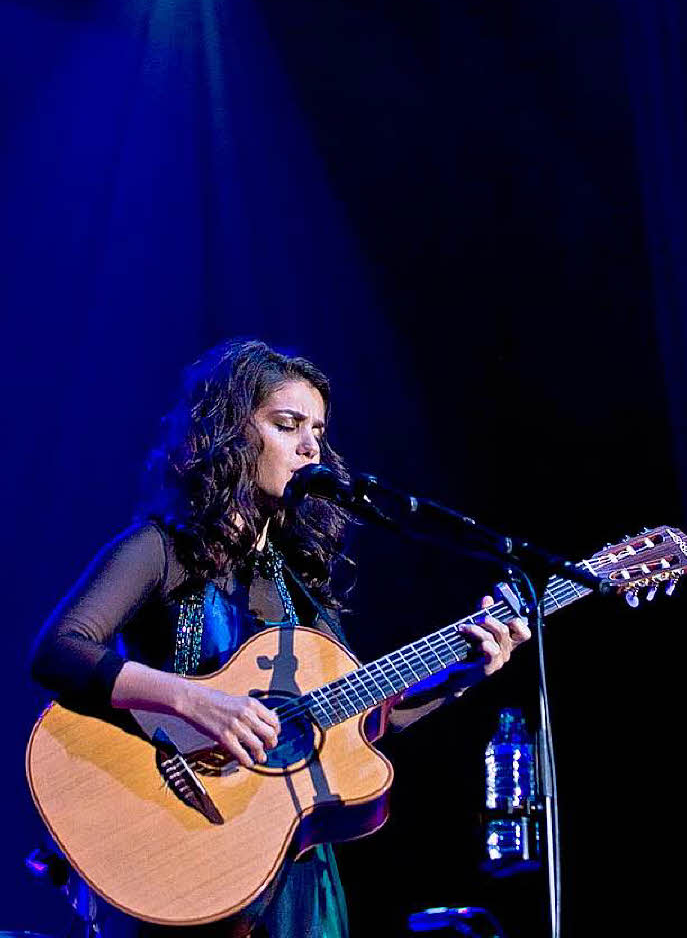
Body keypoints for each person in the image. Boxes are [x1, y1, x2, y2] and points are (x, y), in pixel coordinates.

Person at [31, 338, 531, 938]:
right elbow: (59, 648)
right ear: (230, 432)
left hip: (293, 869)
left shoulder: (302, 590)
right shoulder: (160, 550)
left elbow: (370, 721)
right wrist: (194, 700)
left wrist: (463, 674)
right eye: (287, 424)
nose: (310, 446)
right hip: (181, 842)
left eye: (317, 430)